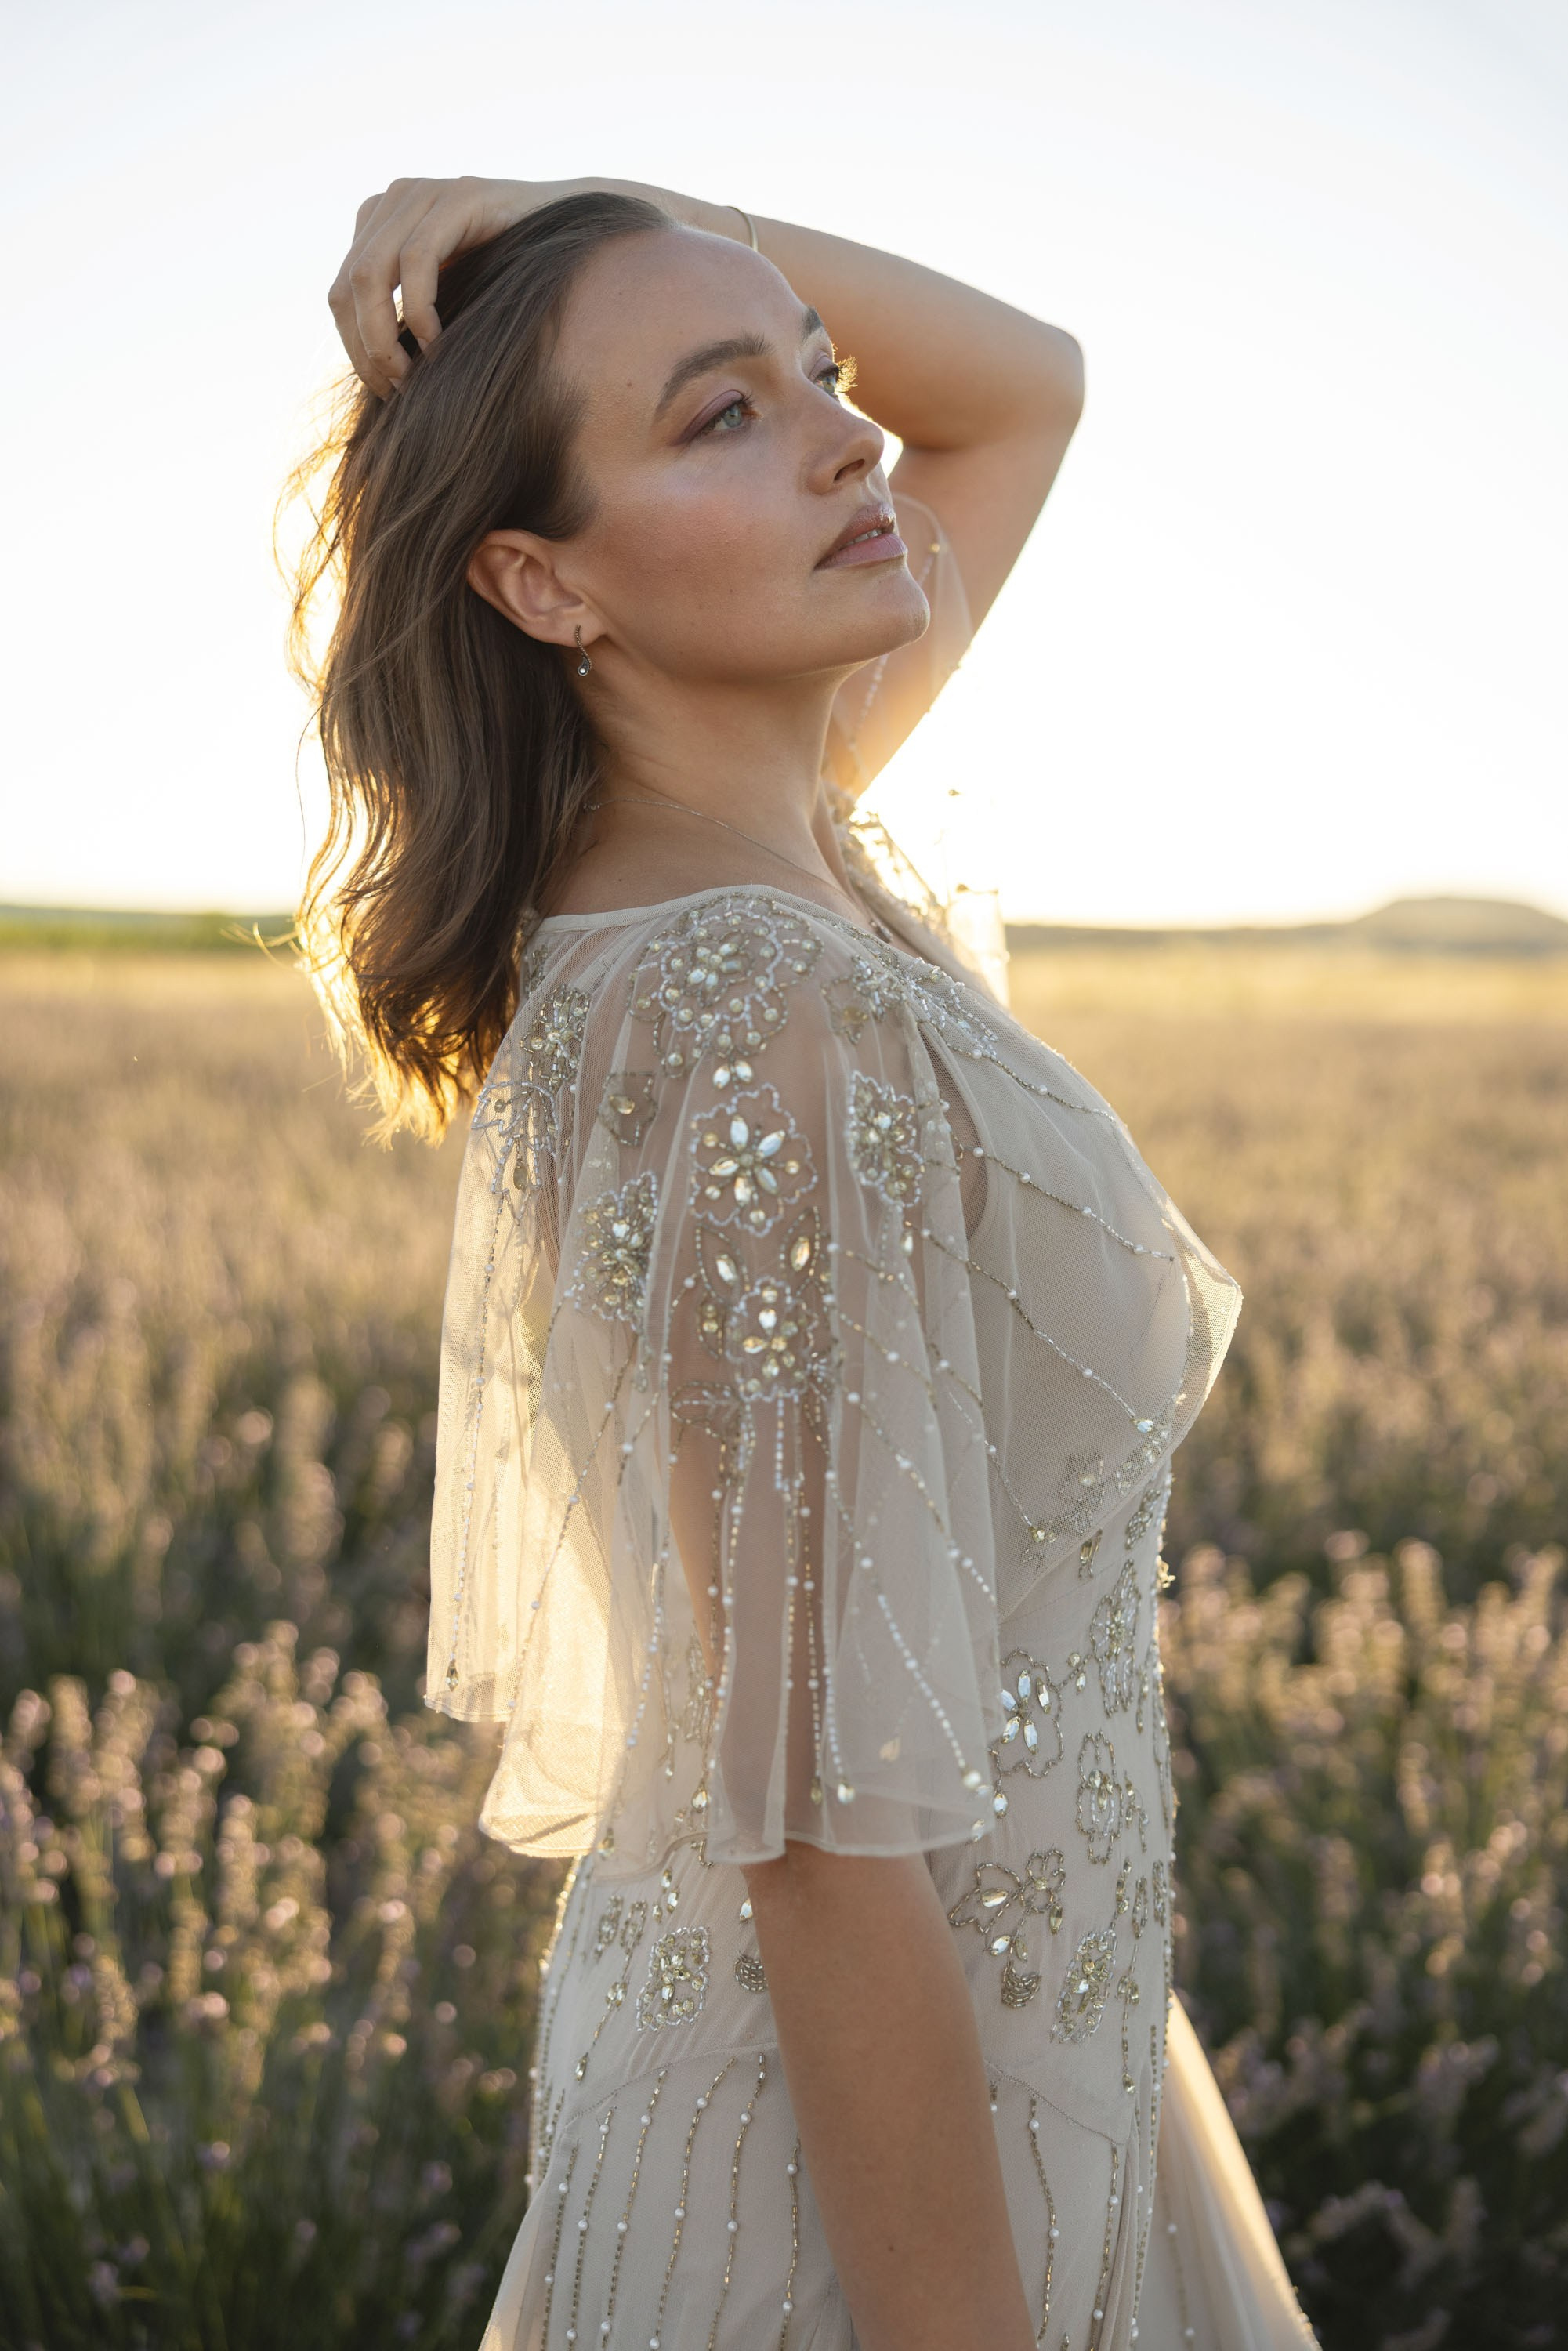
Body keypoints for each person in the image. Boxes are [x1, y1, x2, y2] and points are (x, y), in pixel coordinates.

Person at [294, 172, 1319, 2351]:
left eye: (817, 379)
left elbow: (1017, 392)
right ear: (539, 582)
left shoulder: (783, 841)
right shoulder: (744, 1006)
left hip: (1020, 2042)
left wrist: (588, 206)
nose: (849, 439)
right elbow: (815, 1835)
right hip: (871, 2142)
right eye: (719, 420)